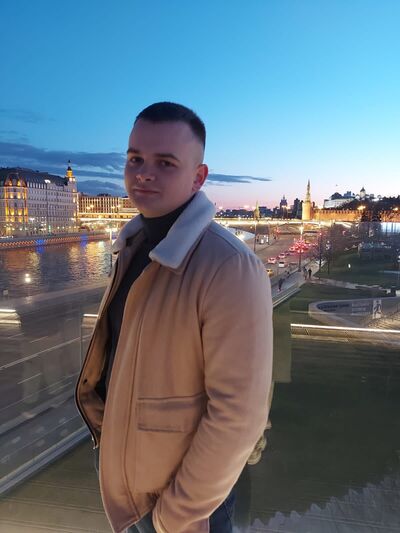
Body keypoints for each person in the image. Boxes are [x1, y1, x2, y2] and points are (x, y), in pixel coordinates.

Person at [75, 102, 273, 533]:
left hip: (180, 505)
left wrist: (174, 516)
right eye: (135, 159)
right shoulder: (133, 249)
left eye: (165, 163)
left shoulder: (230, 266)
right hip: (130, 487)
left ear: (198, 177)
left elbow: (238, 415)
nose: (144, 173)